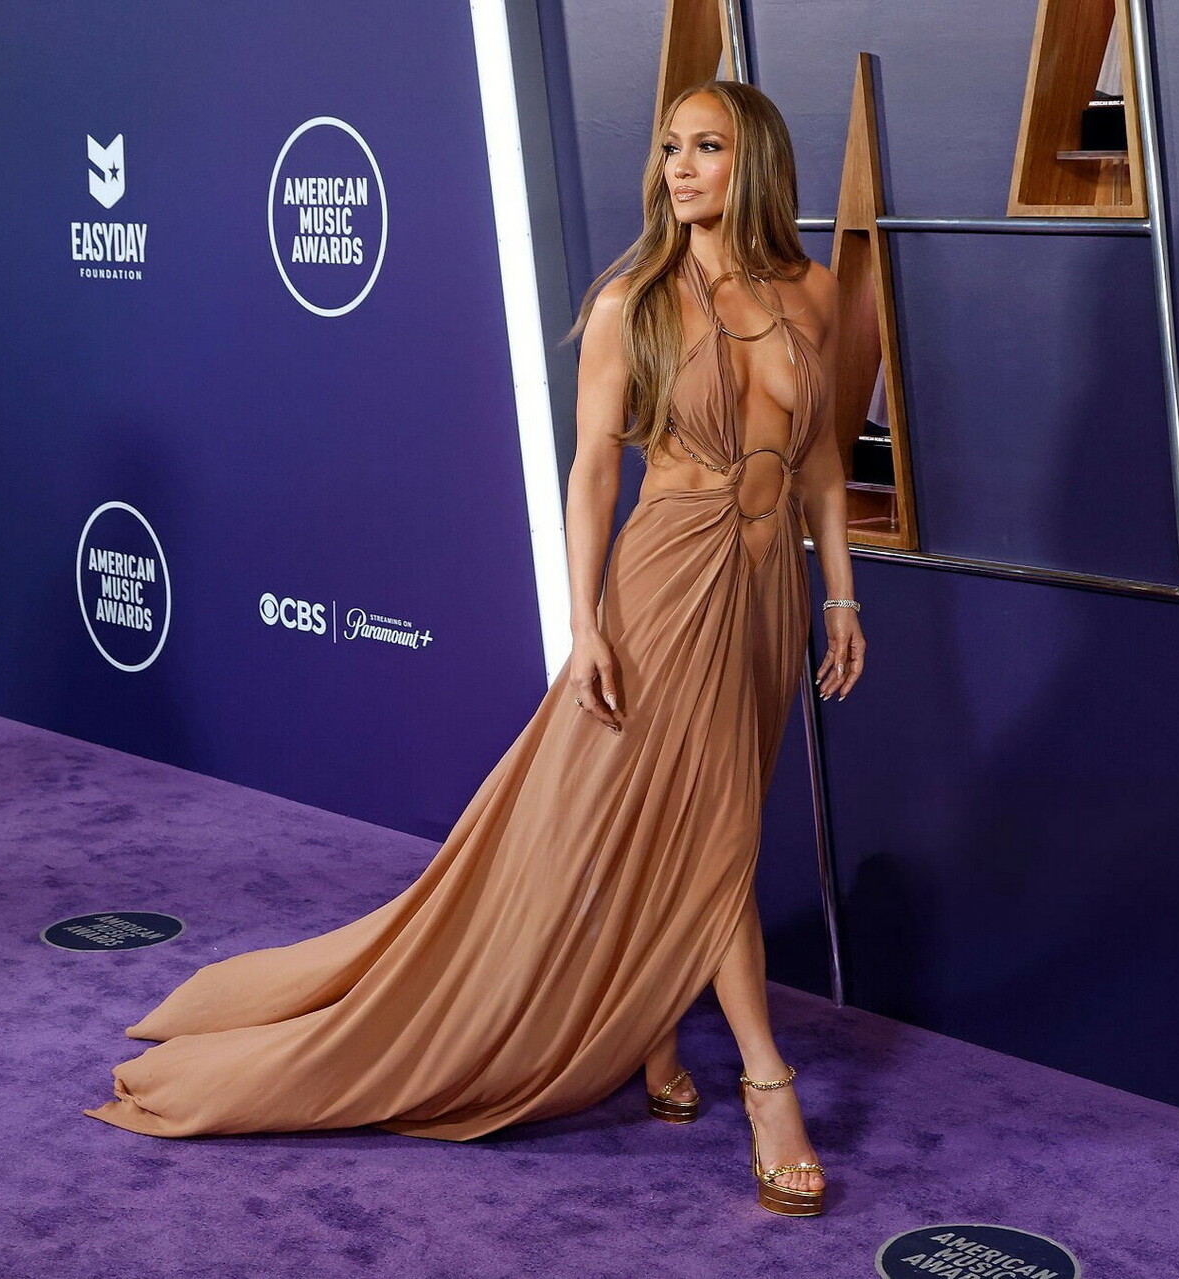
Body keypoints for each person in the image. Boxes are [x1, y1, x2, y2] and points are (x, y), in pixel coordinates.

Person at [83, 78, 866, 1219]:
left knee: (711, 812)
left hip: (765, 594)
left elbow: (825, 459)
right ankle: (768, 1086)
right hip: (664, 586)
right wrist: (586, 623)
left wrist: (840, 597)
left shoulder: (815, 290)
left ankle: (652, 1032)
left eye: (707, 147)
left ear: (758, 162)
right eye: (670, 147)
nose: (681, 167)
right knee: (714, 836)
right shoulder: (634, 303)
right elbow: (592, 472)